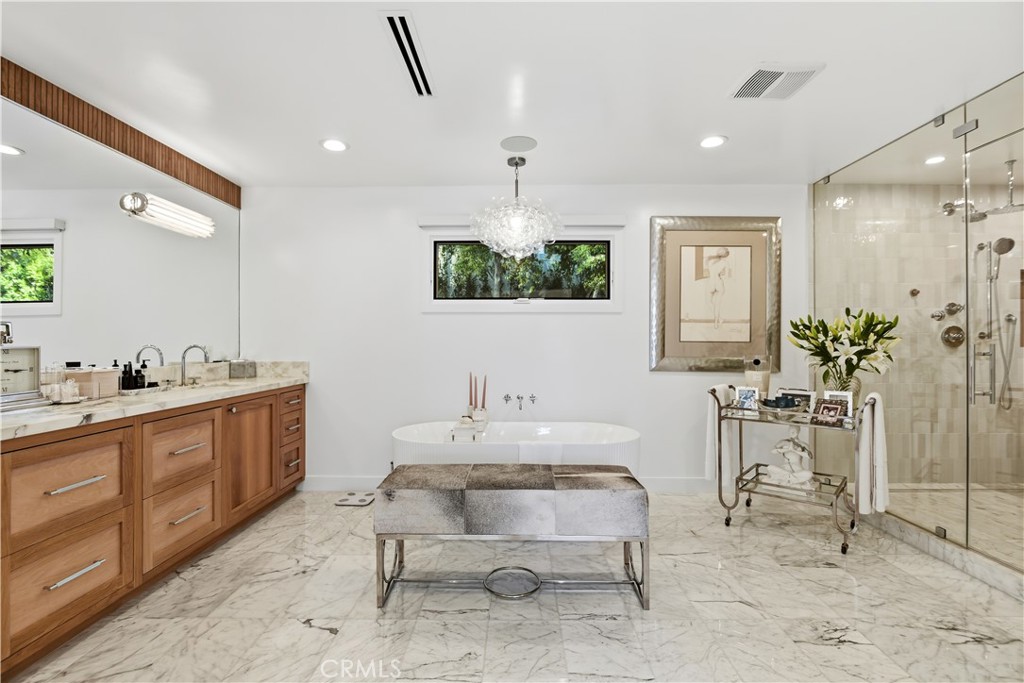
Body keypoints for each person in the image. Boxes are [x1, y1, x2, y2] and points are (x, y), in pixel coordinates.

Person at [704, 247, 731, 329]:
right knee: (716, 304)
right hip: (719, 282)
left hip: (711, 282)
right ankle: (718, 320)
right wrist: (720, 274)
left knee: (709, 302)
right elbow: (726, 276)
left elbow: (706, 269)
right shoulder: (725, 262)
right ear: (725, 255)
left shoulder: (709, 259)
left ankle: (717, 321)